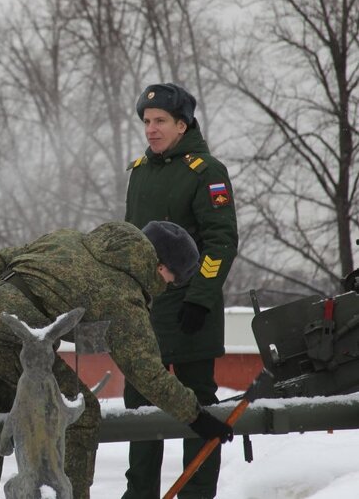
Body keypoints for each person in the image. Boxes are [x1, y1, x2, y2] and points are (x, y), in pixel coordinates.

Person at [0, 220, 234, 499]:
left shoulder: (69, 238)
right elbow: (147, 372)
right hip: (9, 338)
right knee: (80, 412)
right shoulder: (124, 294)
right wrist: (196, 416)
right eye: (175, 279)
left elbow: (4, 257)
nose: (170, 285)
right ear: (162, 267)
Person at [123, 83, 238, 499]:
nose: (151, 130)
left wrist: (200, 298)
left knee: (199, 413)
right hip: (144, 316)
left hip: (191, 314)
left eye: (160, 122)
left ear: (181, 124)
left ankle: (196, 495)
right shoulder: (139, 171)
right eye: (146, 122)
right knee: (140, 413)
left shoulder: (206, 171)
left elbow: (222, 241)